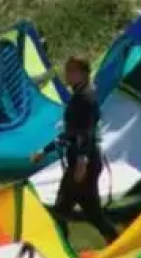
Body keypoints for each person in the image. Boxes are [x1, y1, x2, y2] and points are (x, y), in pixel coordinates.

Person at [31, 56, 117, 245]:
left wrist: (81, 161)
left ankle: (58, 251)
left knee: (61, 210)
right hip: (86, 162)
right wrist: (45, 150)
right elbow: (72, 132)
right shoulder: (81, 95)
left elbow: (85, 133)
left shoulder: (85, 97)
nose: (67, 75)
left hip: (83, 164)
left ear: (83, 74)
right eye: (67, 70)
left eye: (71, 71)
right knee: (92, 212)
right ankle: (117, 242)